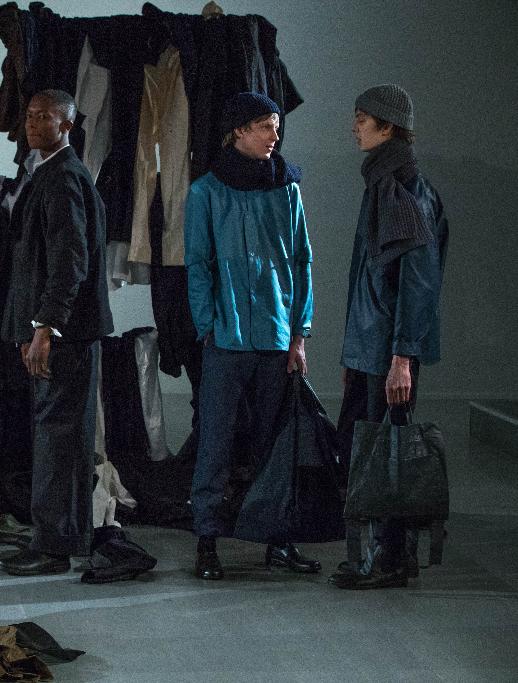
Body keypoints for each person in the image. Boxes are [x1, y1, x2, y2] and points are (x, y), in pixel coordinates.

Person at [184, 92, 318, 581]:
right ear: (238, 130)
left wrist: (299, 335)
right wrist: (208, 326)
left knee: (274, 446)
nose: (274, 135)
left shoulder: (287, 190)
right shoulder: (205, 192)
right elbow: (197, 265)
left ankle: (277, 541)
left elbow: (302, 262)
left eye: (276, 126)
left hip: (276, 340)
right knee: (215, 443)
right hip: (226, 340)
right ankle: (207, 541)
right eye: (265, 126)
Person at [330, 85, 449, 590]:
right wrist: (354, 353)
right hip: (371, 347)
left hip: (388, 350)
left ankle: (390, 559)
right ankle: (386, 556)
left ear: (388, 126)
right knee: (370, 448)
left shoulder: (406, 189)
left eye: (362, 119)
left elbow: (419, 283)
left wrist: (402, 357)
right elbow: (368, 277)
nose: (354, 127)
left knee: (389, 452)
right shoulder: (383, 182)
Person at [0, 89, 113, 577]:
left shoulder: (63, 176)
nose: (32, 123)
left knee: (59, 436)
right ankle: (57, 538)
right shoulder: (49, 173)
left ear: (67, 125)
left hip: (65, 334)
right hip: (58, 330)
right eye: (29, 115)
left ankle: (53, 547)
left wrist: (47, 325)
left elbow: (70, 261)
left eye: (44, 116)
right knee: (58, 434)